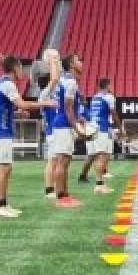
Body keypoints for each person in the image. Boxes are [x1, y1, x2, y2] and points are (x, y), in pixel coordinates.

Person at [0, 55, 56, 218]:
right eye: (20, 68)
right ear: (14, 68)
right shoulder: (7, 84)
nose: (23, 72)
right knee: (3, 168)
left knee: (6, 168)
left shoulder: (1, 83)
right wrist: (44, 103)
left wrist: (17, 113)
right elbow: (23, 103)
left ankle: (3, 204)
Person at [48, 52, 88, 207]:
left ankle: (65, 194)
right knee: (62, 162)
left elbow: (69, 108)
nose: (81, 63)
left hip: (62, 123)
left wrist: (78, 118)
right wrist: (77, 129)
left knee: (64, 161)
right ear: (71, 64)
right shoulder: (70, 82)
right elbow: (68, 108)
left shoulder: (65, 80)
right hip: (63, 125)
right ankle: (61, 197)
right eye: (78, 60)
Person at [78, 76, 120, 193]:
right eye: (110, 85)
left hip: (93, 128)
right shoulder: (109, 97)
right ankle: (99, 184)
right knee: (102, 156)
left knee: (97, 155)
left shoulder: (95, 97)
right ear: (107, 85)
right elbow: (114, 113)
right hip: (101, 128)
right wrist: (120, 128)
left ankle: (90, 179)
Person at [39, 50, 62, 199]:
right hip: (52, 130)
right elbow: (54, 79)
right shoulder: (45, 93)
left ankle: (53, 187)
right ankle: (49, 189)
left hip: (56, 130)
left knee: (56, 160)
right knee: (52, 160)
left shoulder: (54, 91)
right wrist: (53, 62)